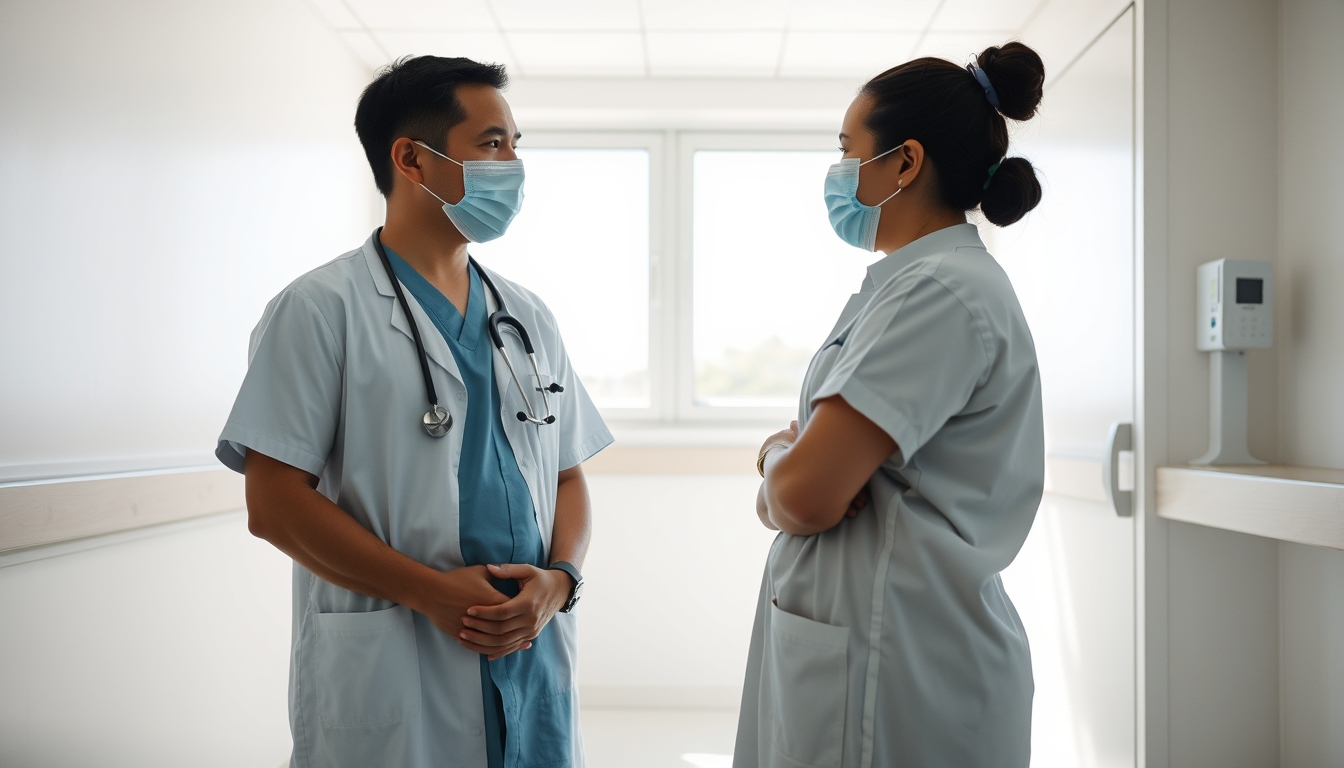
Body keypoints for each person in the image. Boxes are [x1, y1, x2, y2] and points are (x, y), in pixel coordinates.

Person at [215, 56, 611, 768]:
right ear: (411, 160)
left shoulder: (526, 314)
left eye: (517, 143)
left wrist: (561, 581)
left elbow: (570, 476)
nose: (514, 164)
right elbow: (274, 505)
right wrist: (432, 595)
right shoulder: (320, 310)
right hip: (397, 651)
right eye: (493, 144)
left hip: (530, 647)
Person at [735, 43, 1047, 768]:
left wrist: (777, 456)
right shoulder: (917, 285)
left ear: (904, 163)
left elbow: (807, 494)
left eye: (848, 149)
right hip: (880, 640)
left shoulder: (937, 293)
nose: (838, 171)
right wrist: (794, 471)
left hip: (898, 661)